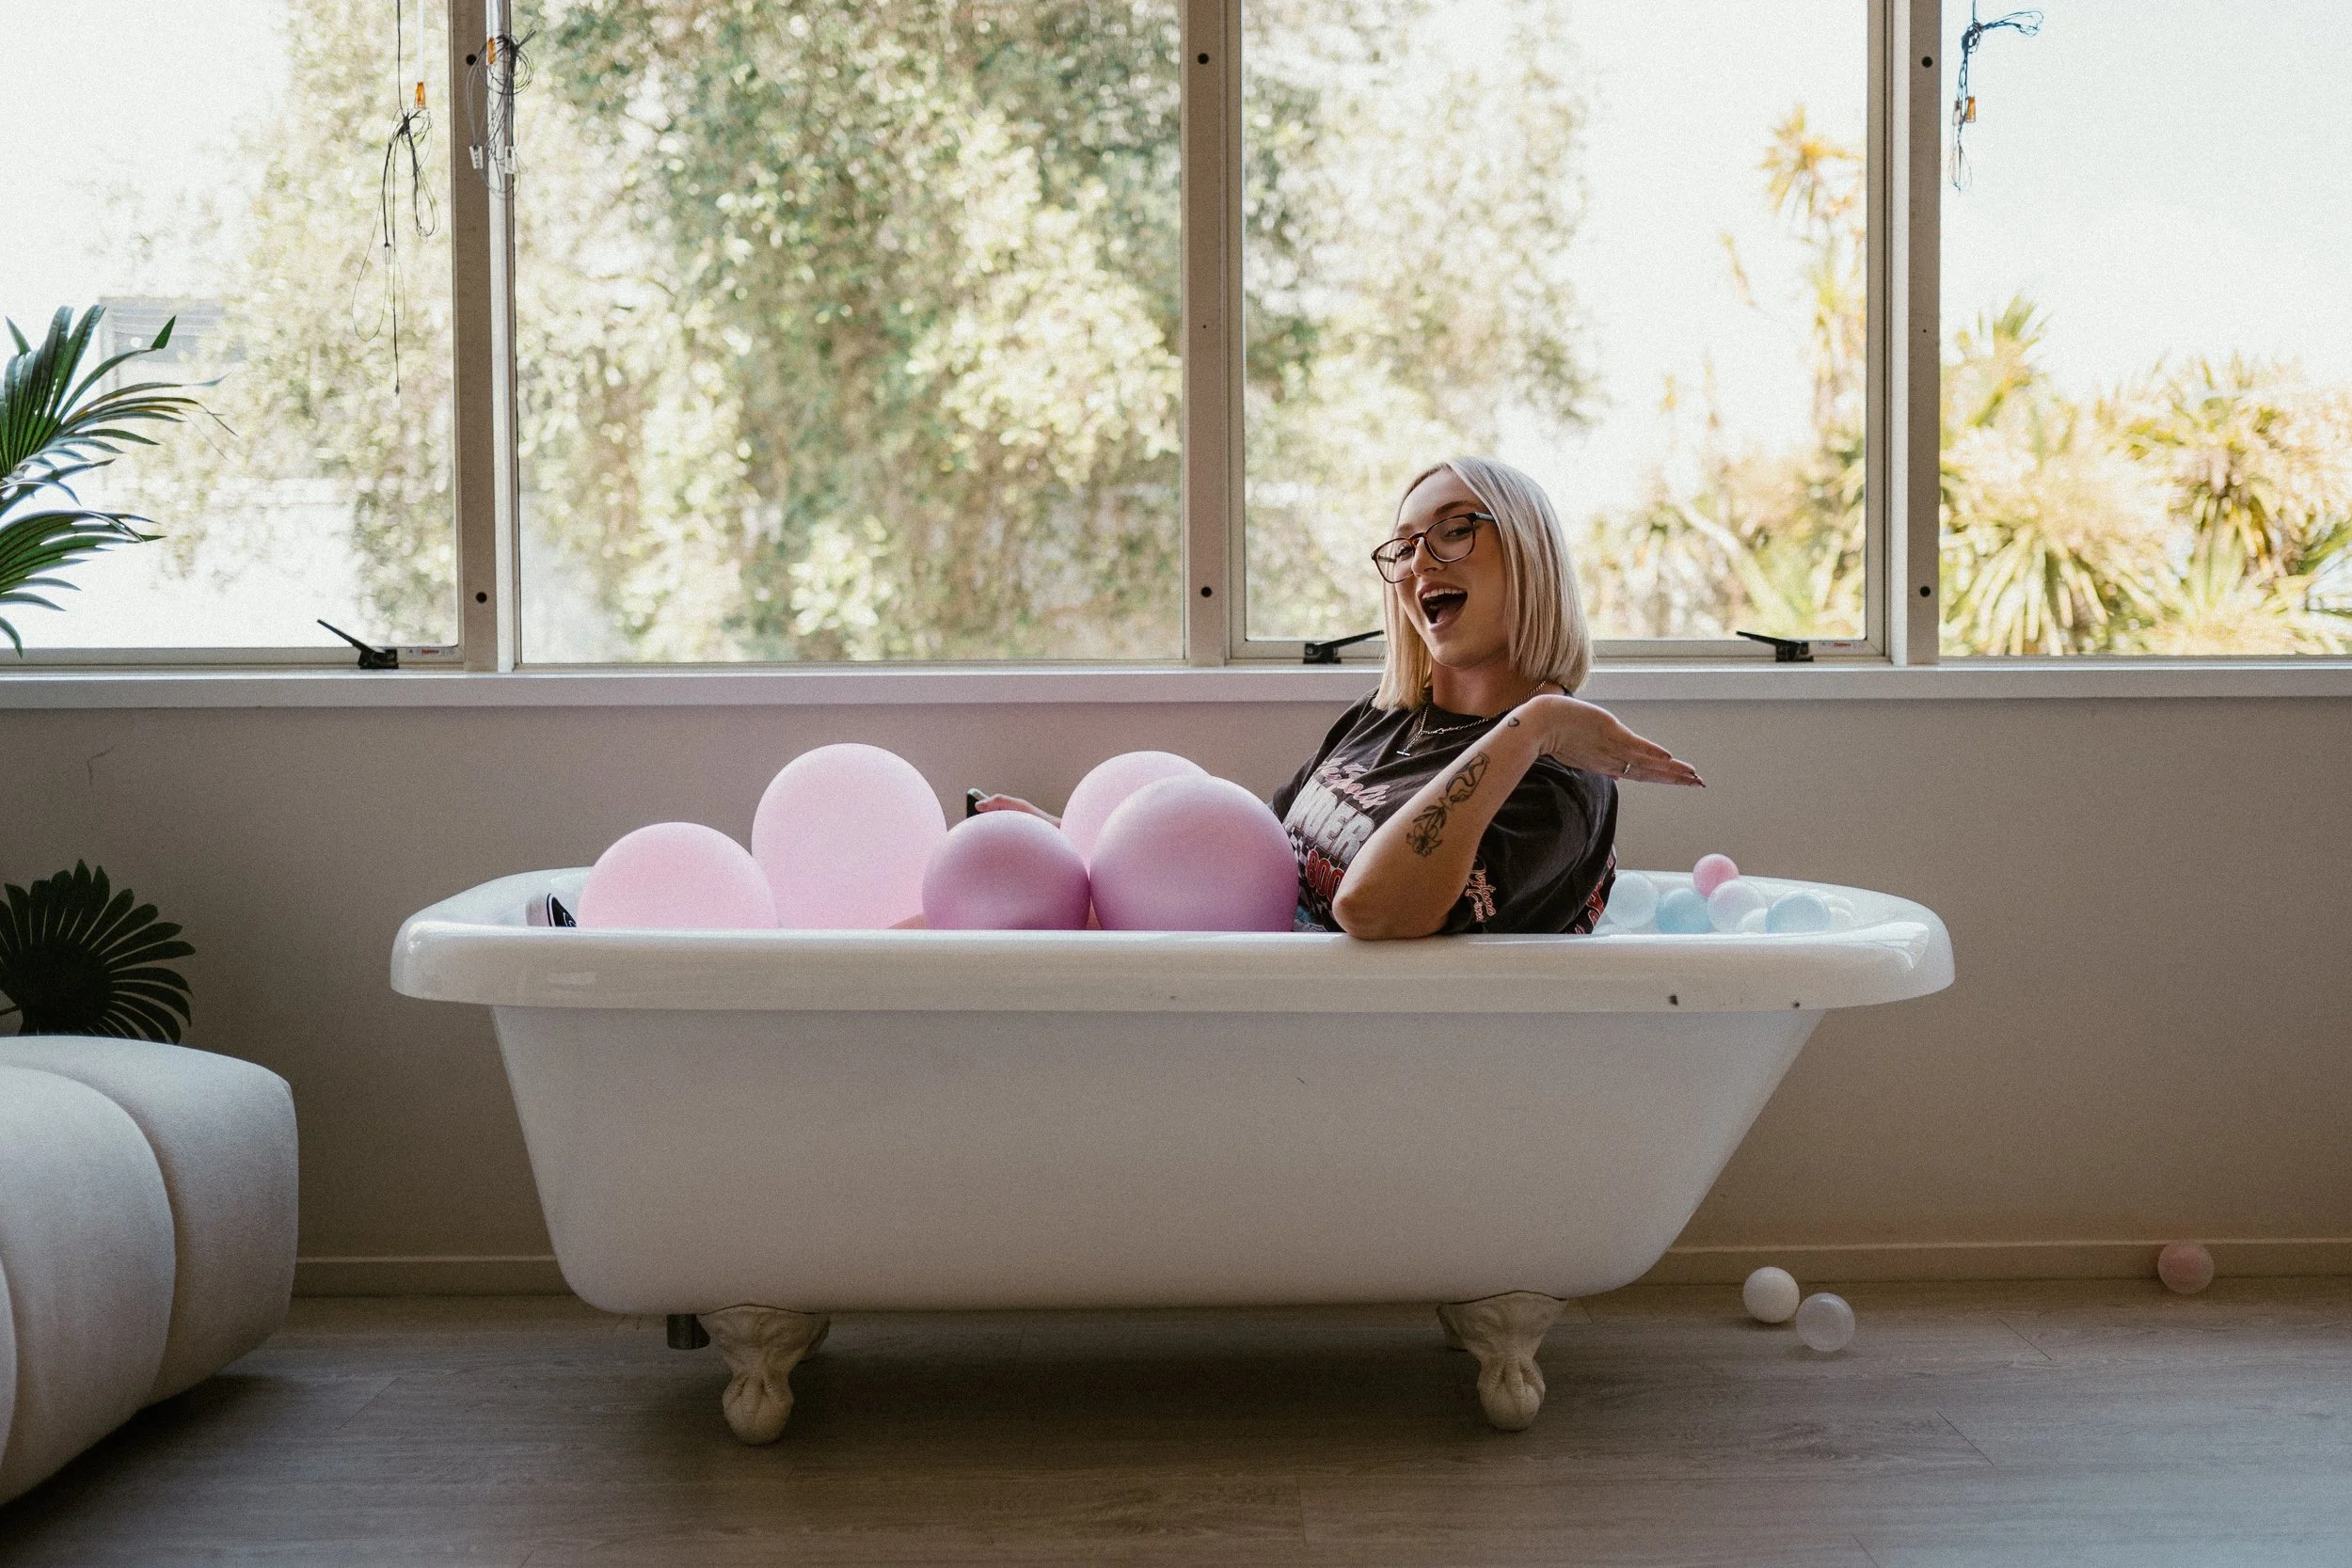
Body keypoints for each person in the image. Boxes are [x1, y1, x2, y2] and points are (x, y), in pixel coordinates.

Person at [977, 455, 1702, 938]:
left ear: (1530, 551)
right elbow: (1262, 855)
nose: (1420, 560)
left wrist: (1530, 727)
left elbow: (1372, 909)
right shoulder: (1384, 719)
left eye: (1453, 530)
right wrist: (1075, 848)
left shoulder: (1557, 783)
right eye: (1405, 545)